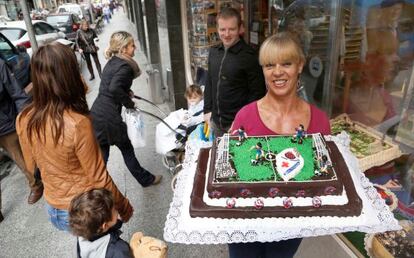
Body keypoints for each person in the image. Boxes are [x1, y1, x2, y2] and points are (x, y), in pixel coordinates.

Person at [229, 32, 331, 258]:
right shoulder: (245, 117)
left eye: (286, 63)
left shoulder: (320, 121)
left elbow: (323, 177)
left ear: (300, 65)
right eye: (269, 65)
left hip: (290, 227)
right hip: (245, 225)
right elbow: (231, 173)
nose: (277, 72)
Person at [16, 42, 133, 231]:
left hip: (53, 206)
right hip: (83, 210)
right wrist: (124, 206)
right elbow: (100, 179)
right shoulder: (77, 123)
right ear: (69, 75)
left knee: (87, 245)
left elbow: (31, 166)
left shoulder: (24, 118)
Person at [90, 31, 162, 188]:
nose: (134, 48)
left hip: (97, 114)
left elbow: (111, 84)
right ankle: (146, 180)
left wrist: (126, 91)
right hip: (110, 118)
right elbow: (115, 87)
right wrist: (129, 103)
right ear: (123, 48)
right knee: (127, 149)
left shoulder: (112, 62)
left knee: (103, 154)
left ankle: (94, 186)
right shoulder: (125, 67)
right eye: (131, 45)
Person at [203, 7, 266, 137]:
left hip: (239, 126)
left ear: (240, 28)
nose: (226, 34)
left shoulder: (249, 56)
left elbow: (257, 94)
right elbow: (209, 82)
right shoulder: (213, 52)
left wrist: (242, 121)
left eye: (231, 29)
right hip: (215, 122)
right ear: (217, 29)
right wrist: (207, 109)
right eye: (222, 29)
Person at [0, 59, 43, 223]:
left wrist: (24, 120)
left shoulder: (0, 65)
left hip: (6, 125)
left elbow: (17, 93)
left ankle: (36, 184)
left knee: (22, 159)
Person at [69, 189, 133, 258]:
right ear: (104, 225)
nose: (117, 209)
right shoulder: (119, 250)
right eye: (114, 210)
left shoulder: (83, 232)